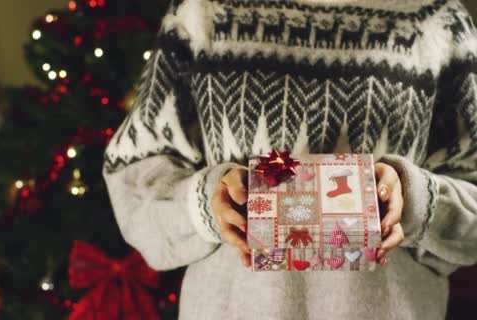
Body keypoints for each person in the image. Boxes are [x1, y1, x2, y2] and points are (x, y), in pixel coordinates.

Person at [103, 0, 477, 318]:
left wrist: (419, 200)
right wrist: (204, 203)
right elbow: (134, 178)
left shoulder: (437, 17)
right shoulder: (203, 11)